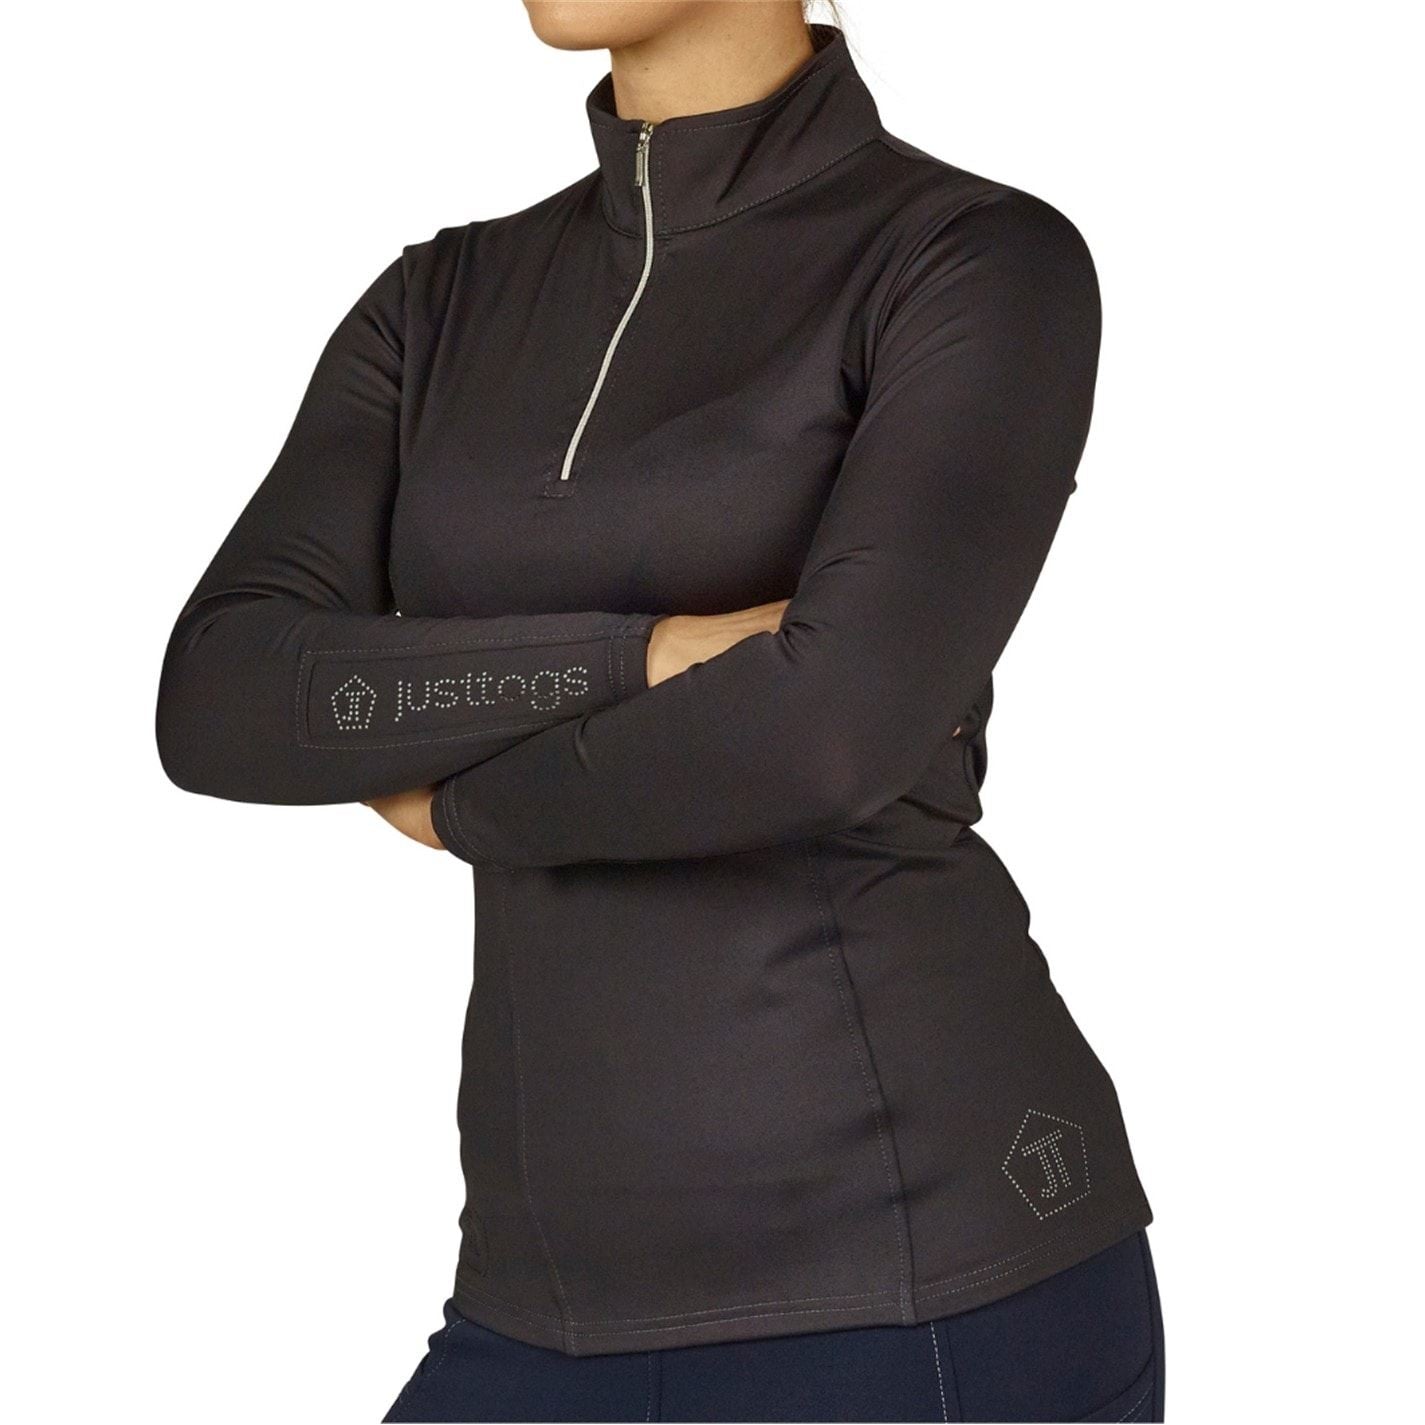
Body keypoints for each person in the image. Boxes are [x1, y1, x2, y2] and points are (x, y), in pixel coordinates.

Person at [154, 2, 1163, 1419]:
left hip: (920, 1279)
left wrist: (457, 801)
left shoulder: (972, 260)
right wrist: (647, 657)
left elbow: (826, 731)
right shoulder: (439, 303)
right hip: (539, 1299)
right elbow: (221, 692)